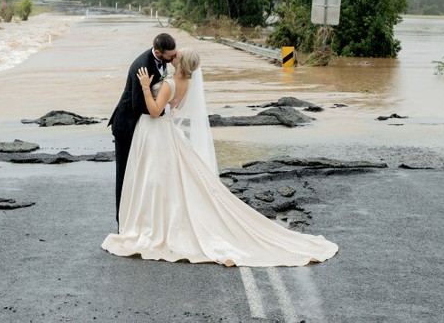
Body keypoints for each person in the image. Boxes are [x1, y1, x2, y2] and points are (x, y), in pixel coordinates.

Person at [102, 49, 339, 267]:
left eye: (176, 57)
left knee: (156, 180)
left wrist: (145, 86)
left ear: (181, 64)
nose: (172, 58)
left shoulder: (171, 83)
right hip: (169, 133)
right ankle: (160, 220)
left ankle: (153, 225)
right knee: (171, 180)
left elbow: (155, 111)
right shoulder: (188, 82)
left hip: (159, 133)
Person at [109, 32, 178, 222]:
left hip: (143, 126)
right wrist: (163, 109)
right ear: (158, 51)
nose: (174, 59)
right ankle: (122, 221)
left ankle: (141, 217)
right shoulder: (143, 66)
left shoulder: (162, 60)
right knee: (124, 175)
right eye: (171, 56)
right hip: (127, 125)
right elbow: (137, 105)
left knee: (141, 174)